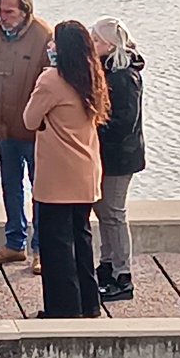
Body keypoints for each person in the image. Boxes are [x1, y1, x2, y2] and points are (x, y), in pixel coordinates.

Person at [22, 20, 110, 319]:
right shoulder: (92, 77)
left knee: (56, 244)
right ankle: (89, 303)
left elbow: (29, 119)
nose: (50, 48)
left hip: (58, 176)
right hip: (86, 171)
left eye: (54, 43)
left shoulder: (51, 80)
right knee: (81, 239)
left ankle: (63, 309)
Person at [0, 0, 53, 274]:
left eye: (8, 11)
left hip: (34, 132)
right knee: (10, 186)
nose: (3, 16)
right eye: (0, 10)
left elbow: (52, 82)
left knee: (39, 190)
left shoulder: (44, 35)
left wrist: (38, 118)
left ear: (24, 11)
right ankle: (14, 244)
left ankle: (41, 249)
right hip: (2, 128)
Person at [90, 17, 146, 303]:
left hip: (119, 157)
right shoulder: (107, 70)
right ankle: (107, 265)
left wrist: (94, 127)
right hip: (107, 154)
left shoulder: (124, 77)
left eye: (97, 41)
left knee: (113, 213)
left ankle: (123, 276)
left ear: (110, 45)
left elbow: (124, 122)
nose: (93, 45)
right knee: (104, 212)